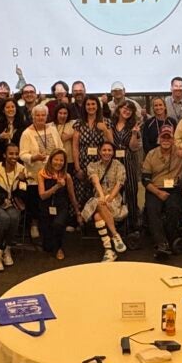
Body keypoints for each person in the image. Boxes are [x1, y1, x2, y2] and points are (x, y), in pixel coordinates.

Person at [141, 127, 182, 258]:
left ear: (173, 140)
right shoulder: (151, 154)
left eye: (168, 138)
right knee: (152, 209)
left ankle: (172, 238)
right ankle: (161, 243)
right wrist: (158, 192)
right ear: (159, 139)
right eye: (163, 137)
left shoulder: (179, 152)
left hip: (173, 188)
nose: (166, 140)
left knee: (174, 208)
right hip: (155, 188)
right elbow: (145, 179)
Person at [20, 104, 63, 238]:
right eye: (37, 115)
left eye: (43, 115)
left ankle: (49, 227)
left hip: (53, 173)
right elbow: (22, 154)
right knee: (36, 203)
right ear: (33, 117)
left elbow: (60, 148)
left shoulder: (52, 129)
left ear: (46, 116)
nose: (40, 117)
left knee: (51, 201)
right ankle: (34, 225)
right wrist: (33, 157)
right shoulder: (27, 133)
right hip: (35, 174)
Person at [81, 141, 128, 262]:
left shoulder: (119, 165)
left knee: (97, 215)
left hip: (114, 199)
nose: (107, 152)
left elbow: (119, 184)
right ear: (99, 152)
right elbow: (95, 181)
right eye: (104, 150)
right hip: (98, 198)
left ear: (113, 152)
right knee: (99, 203)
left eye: (109, 150)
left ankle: (108, 250)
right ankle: (115, 235)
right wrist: (102, 196)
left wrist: (110, 198)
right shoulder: (93, 165)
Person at [0, 144, 28, 270]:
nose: (14, 156)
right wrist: (0, 198)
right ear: (4, 155)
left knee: (14, 217)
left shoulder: (21, 169)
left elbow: (24, 194)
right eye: (11, 154)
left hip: (12, 203)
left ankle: (7, 248)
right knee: (4, 218)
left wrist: (22, 181)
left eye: (16, 154)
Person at [38, 148, 80, 260]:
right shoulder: (42, 174)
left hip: (61, 207)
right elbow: (42, 195)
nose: (58, 163)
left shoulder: (67, 176)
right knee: (47, 246)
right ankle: (52, 245)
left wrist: (78, 213)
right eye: (56, 160)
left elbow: (72, 196)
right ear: (51, 160)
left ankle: (59, 248)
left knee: (58, 224)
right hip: (46, 207)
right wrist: (57, 186)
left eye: (61, 160)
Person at [111, 100, 143, 233]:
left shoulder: (133, 126)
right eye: (124, 108)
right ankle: (117, 223)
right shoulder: (111, 124)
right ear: (118, 109)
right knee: (115, 192)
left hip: (128, 161)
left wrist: (135, 133)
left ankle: (133, 225)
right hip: (112, 162)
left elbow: (133, 147)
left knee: (131, 192)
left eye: (130, 109)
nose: (127, 111)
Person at [73, 96, 111, 208]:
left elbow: (111, 143)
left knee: (99, 192)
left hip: (100, 163)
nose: (91, 107)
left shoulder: (106, 122)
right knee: (82, 194)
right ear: (84, 107)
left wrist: (105, 129)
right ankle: (82, 221)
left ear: (98, 106)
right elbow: (75, 147)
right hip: (83, 163)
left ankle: (99, 222)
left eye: (93, 104)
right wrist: (77, 168)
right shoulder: (79, 124)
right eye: (88, 104)